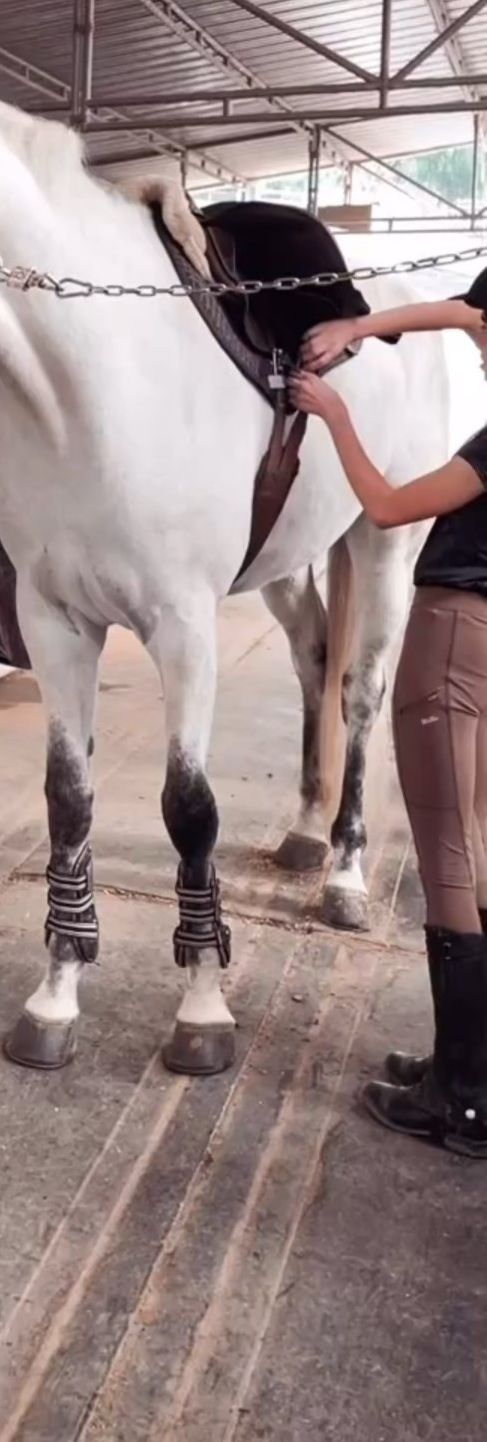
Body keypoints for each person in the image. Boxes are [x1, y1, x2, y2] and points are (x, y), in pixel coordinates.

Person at [289, 274, 487, 1159]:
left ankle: (464, 1100)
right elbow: (459, 313)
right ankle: (463, 1062)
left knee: (448, 864)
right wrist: (367, 326)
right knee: (477, 848)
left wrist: (335, 414)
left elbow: (388, 507)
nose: (478, 346)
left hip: (454, 642)